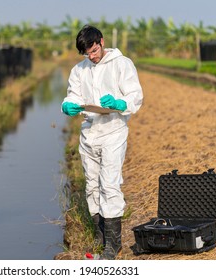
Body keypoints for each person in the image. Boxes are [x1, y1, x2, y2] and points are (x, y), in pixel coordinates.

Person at [61, 25, 143, 259]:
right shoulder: (79, 70)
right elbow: (72, 95)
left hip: (113, 131)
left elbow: (135, 96)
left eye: (94, 50)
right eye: (87, 53)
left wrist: (118, 103)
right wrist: (68, 105)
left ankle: (113, 244)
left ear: (102, 42)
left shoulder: (122, 64)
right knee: (92, 185)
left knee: (109, 184)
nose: (92, 56)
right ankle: (100, 236)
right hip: (89, 131)